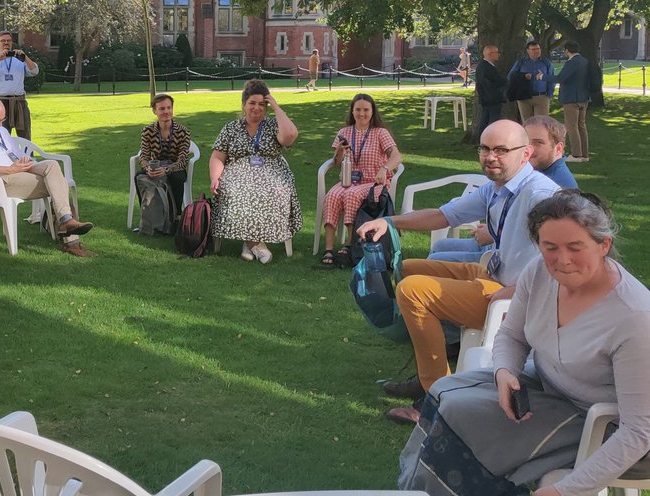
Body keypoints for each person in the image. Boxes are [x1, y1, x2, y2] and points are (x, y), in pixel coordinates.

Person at [399, 191, 650, 496]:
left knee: (469, 426)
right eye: (550, 247)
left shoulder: (635, 318)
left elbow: (639, 431)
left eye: (575, 247)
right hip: (541, 385)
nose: (561, 260)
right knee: (445, 394)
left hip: (598, 422)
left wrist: (567, 492)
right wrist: (505, 373)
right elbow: (511, 336)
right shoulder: (539, 273)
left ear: (604, 244)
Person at [358, 120, 559, 423]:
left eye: (502, 150)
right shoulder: (497, 188)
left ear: (525, 153)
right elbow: (441, 215)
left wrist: (519, 291)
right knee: (409, 269)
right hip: (493, 276)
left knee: (412, 292)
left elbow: (563, 255)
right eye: (485, 148)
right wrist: (388, 222)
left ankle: (435, 395)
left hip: (515, 300)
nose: (491, 157)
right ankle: (434, 362)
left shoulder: (540, 195)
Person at [429, 116, 577, 264]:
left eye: (538, 143)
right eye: (525, 141)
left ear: (558, 149)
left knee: (433, 262)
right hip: (498, 246)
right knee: (440, 245)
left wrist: (494, 233)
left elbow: (542, 242)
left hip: (510, 261)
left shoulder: (554, 188)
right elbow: (448, 215)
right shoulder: (513, 176)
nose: (529, 148)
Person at [0, 97, 95, 257]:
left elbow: (17, 153)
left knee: (52, 166)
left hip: (19, 171)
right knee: (59, 186)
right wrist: (10, 169)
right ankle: (70, 237)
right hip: (0, 181)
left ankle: (65, 220)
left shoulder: (2, 131)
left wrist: (26, 162)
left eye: (2, 120)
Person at [210, 80, 302, 264]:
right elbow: (217, 157)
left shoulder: (273, 125)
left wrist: (276, 107)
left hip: (272, 174)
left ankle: (249, 243)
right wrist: (215, 177)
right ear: (244, 104)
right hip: (237, 175)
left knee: (272, 191)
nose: (257, 108)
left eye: (262, 104)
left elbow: (290, 137)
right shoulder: (231, 128)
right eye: (252, 103)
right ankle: (257, 245)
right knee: (240, 190)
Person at [319, 94, 401, 266]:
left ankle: (349, 244)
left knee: (352, 195)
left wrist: (385, 169)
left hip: (373, 183)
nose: (361, 113)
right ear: (352, 111)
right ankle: (328, 248)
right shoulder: (344, 132)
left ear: (372, 112)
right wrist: (340, 151)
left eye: (366, 110)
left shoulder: (380, 133)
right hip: (349, 180)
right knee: (332, 196)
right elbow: (336, 162)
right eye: (358, 109)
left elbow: (396, 156)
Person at [134, 94, 192, 235]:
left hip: (174, 167)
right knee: (138, 176)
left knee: (177, 178)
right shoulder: (147, 131)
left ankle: (177, 217)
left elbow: (182, 160)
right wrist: (148, 168)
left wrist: (166, 170)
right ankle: (147, 217)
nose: (166, 112)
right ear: (155, 111)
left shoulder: (183, 132)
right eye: (162, 109)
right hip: (156, 165)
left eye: (169, 108)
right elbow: (144, 156)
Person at [0, 31, 39, 141]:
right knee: (1, 136)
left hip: (19, 102)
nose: (6, 43)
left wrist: (25, 57)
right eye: (3, 41)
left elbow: (35, 71)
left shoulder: (20, 59)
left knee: (25, 135)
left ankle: (28, 158)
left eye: (8, 41)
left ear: (12, 43)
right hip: (0, 103)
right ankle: (3, 158)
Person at [556, 41, 590, 162]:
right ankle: (584, 154)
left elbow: (561, 78)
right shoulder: (584, 61)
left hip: (571, 98)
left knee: (572, 126)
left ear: (567, 50)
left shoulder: (571, 63)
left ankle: (576, 154)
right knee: (582, 125)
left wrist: (542, 77)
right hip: (583, 98)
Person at [508, 40, 555, 121]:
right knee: (527, 123)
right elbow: (511, 76)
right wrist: (524, 76)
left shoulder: (546, 63)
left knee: (541, 123)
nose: (536, 51)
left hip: (541, 96)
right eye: (533, 49)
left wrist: (549, 94)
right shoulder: (521, 62)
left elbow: (551, 79)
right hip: (524, 97)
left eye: (538, 49)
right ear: (528, 51)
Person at [474, 44, 507, 132]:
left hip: (486, 98)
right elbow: (498, 81)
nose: (498, 54)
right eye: (497, 52)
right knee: (493, 121)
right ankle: (488, 139)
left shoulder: (481, 66)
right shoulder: (488, 67)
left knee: (484, 121)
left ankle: (481, 140)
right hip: (492, 98)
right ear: (490, 54)